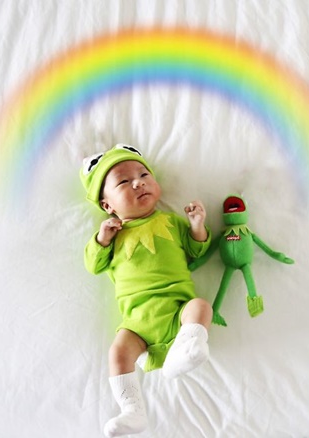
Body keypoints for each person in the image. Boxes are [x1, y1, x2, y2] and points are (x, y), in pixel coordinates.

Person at [80, 144, 213, 437]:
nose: (138, 183)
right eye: (124, 182)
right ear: (107, 205)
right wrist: (102, 239)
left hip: (178, 309)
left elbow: (196, 250)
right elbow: (93, 264)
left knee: (201, 307)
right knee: (118, 352)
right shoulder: (113, 235)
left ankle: (187, 348)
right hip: (137, 323)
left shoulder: (170, 221)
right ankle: (132, 410)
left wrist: (197, 226)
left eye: (143, 175)